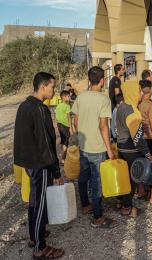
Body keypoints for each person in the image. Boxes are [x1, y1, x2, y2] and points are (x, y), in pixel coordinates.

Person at [14, 72, 65, 259]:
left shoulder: (25, 105)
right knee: (40, 204)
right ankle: (40, 248)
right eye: (52, 86)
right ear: (43, 87)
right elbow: (46, 143)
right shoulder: (39, 109)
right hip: (41, 164)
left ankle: (35, 236)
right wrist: (56, 170)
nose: (54, 90)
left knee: (34, 200)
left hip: (29, 163)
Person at [72, 66, 117, 228]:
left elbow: (75, 123)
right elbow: (103, 127)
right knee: (97, 183)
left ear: (89, 80)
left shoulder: (80, 98)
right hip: (98, 148)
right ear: (102, 80)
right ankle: (98, 217)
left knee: (83, 177)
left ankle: (85, 205)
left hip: (84, 147)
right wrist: (110, 150)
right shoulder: (104, 100)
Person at [116, 80, 152, 216]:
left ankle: (120, 201)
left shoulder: (121, 107)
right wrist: (147, 153)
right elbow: (137, 137)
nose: (140, 94)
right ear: (132, 92)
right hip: (131, 150)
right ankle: (127, 208)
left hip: (121, 147)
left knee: (122, 176)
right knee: (131, 180)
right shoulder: (132, 111)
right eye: (138, 91)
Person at [55, 90, 73, 163]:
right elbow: (69, 117)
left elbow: (56, 115)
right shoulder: (67, 106)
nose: (69, 97)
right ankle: (63, 158)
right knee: (66, 141)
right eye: (68, 96)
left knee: (63, 140)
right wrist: (70, 127)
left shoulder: (59, 105)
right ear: (63, 97)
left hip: (59, 124)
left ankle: (62, 154)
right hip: (65, 125)